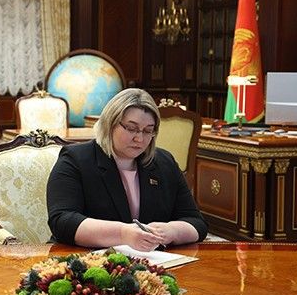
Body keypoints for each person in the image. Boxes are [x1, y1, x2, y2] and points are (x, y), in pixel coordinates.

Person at [46, 88, 207, 251]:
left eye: (148, 131)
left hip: (151, 260)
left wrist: (172, 231)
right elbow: (62, 221)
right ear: (110, 124)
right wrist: (122, 234)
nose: (140, 138)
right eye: (131, 128)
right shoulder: (75, 159)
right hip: (85, 258)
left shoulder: (164, 162)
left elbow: (196, 222)